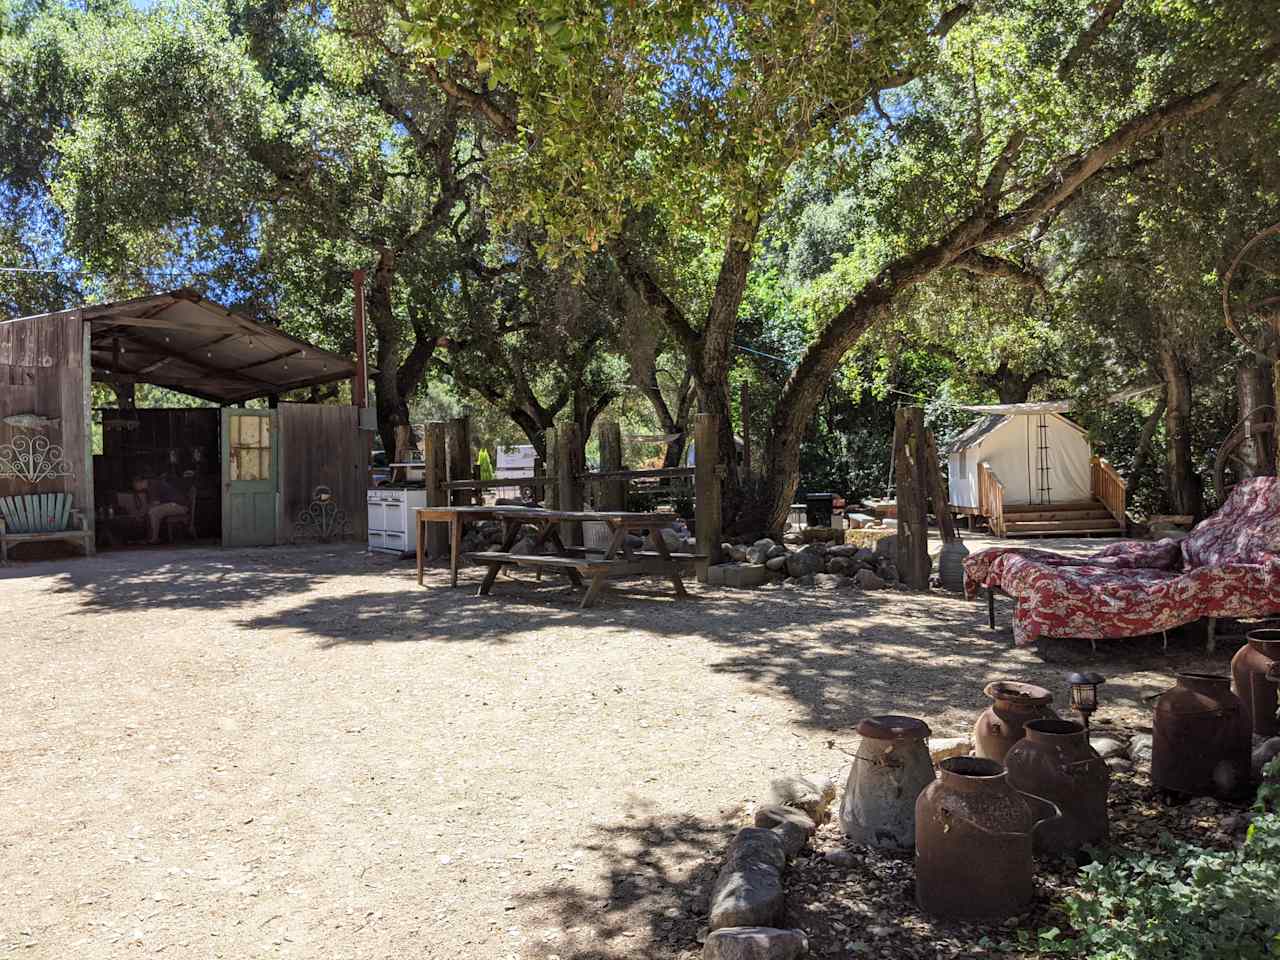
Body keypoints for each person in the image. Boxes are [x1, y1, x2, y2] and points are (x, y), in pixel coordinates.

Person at [124, 474, 190, 544]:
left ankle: (153, 539)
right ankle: (151, 537)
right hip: (174, 505)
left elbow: (155, 504)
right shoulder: (150, 485)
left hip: (180, 506)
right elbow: (152, 504)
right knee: (153, 511)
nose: (135, 488)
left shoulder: (152, 485)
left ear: (139, 482)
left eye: (135, 485)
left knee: (154, 511)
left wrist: (142, 514)